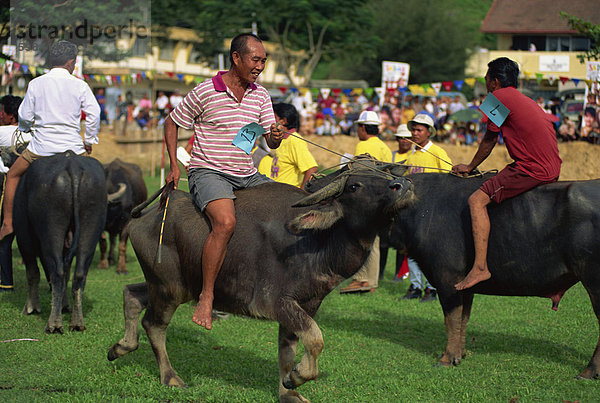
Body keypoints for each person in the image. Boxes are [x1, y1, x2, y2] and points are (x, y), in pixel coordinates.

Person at [164, 33, 283, 330]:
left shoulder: (261, 95)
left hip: (247, 173)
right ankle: (207, 296)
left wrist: (275, 136)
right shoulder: (206, 90)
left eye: (264, 61)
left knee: (288, 199)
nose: (260, 66)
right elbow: (172, 121)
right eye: (255, 60)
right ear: (236, 58)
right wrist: (173, 165)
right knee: (225, 223)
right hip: (209, 171)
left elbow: (270, 140)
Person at [453, 57, 561, 291]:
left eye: (487, 77)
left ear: (495, 81)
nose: (484, 81)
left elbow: (490, 139)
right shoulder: (524, 98)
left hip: (531, 168)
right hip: (550, 166)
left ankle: (480, 268)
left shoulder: (497, 98)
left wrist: (470, 167)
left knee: (476, 200)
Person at [0, 40, 100, 240]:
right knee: (96, 180)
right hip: (74, 149)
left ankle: (7, 224)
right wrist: (88, 140)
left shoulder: (36, 83)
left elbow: (25, 115)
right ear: (71, 62)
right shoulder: (80, 85)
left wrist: (26, 128)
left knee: (12, 175)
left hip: (40, 149)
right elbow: (94, 113)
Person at [400, 113, 452, 302]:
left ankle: (432, 288)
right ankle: (415, 286)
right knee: (412, 249)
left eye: (419, 130)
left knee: (431, 250)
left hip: (432, 209)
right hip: (413, 207)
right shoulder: (412, 153)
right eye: (413, 129)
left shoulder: (437, 152)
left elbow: (448, 179)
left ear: (429, 132)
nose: (415, 133)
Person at [340, 110, 392, 293]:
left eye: (358, 127)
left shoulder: (363, 146)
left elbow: (358, 174)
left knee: (360, 239)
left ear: (363, 128)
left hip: (365, 200)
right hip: (380, 199)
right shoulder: (384, 147)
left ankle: (361, 279)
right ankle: (371, 282)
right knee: (374, 239)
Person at [0, 95, 31, 292]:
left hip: (5, 186)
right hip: (31, 186)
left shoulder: (2, 132)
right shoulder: (34, 134)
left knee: (3, 233)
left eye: (1, 111)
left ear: (11, 116)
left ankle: (5, 282)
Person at [260, 103, 317, 189]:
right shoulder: (281, 140)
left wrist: (302, 194)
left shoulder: (295, 141)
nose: (271, 122)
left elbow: (311, 168)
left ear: (283, 121)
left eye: (274, 118)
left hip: (288, 196)